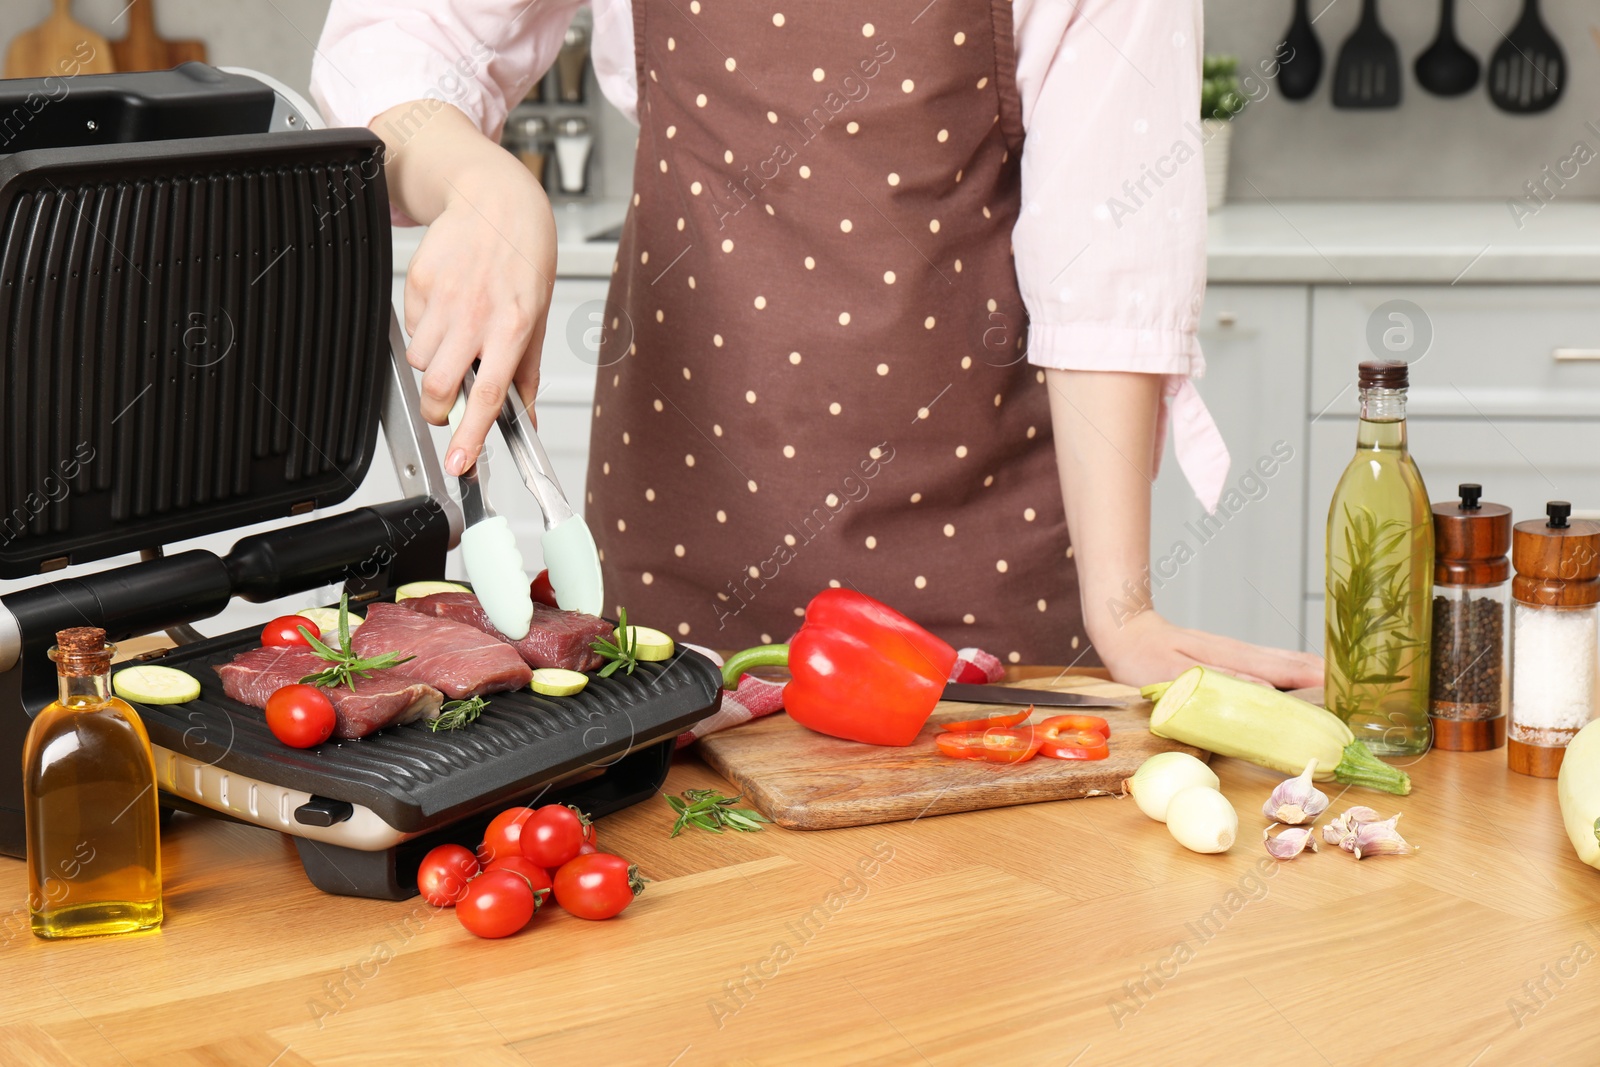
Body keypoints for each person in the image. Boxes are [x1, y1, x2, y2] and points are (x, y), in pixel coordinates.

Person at [311, 0, 1322, 687]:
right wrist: (479, 181)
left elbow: (1106, 248)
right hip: (676, 557)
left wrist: (1123, 610)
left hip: (980, 581)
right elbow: (397, 43)